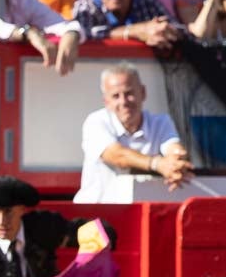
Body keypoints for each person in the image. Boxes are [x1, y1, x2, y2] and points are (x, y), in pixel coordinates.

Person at [74, 61, 190, 202]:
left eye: (129, 93)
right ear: (106, 101)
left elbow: (174, 148)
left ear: (143, 93)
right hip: (95, 213)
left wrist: (176, 163)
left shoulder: (161, 122)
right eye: (116, 96)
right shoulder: (96, 121)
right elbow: (117, 156)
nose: (123, 102)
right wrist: (157, 164)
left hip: (140, 211)